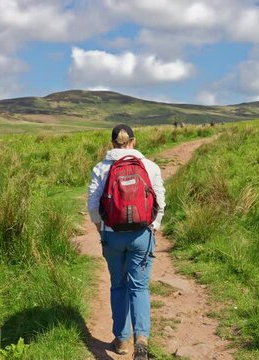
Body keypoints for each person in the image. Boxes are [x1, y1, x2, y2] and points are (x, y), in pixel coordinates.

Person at [87, 124, 165, 359]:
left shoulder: (101, 168)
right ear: (134, 140)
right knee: (139, 286)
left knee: (118, 285)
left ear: (112, 143)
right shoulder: (149, 166)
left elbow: (93, 206)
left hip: (112, 234)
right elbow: (159, 201)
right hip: (142, 234)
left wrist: (102, 231)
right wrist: (154, 226)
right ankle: (141, 339)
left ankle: (121, 341)